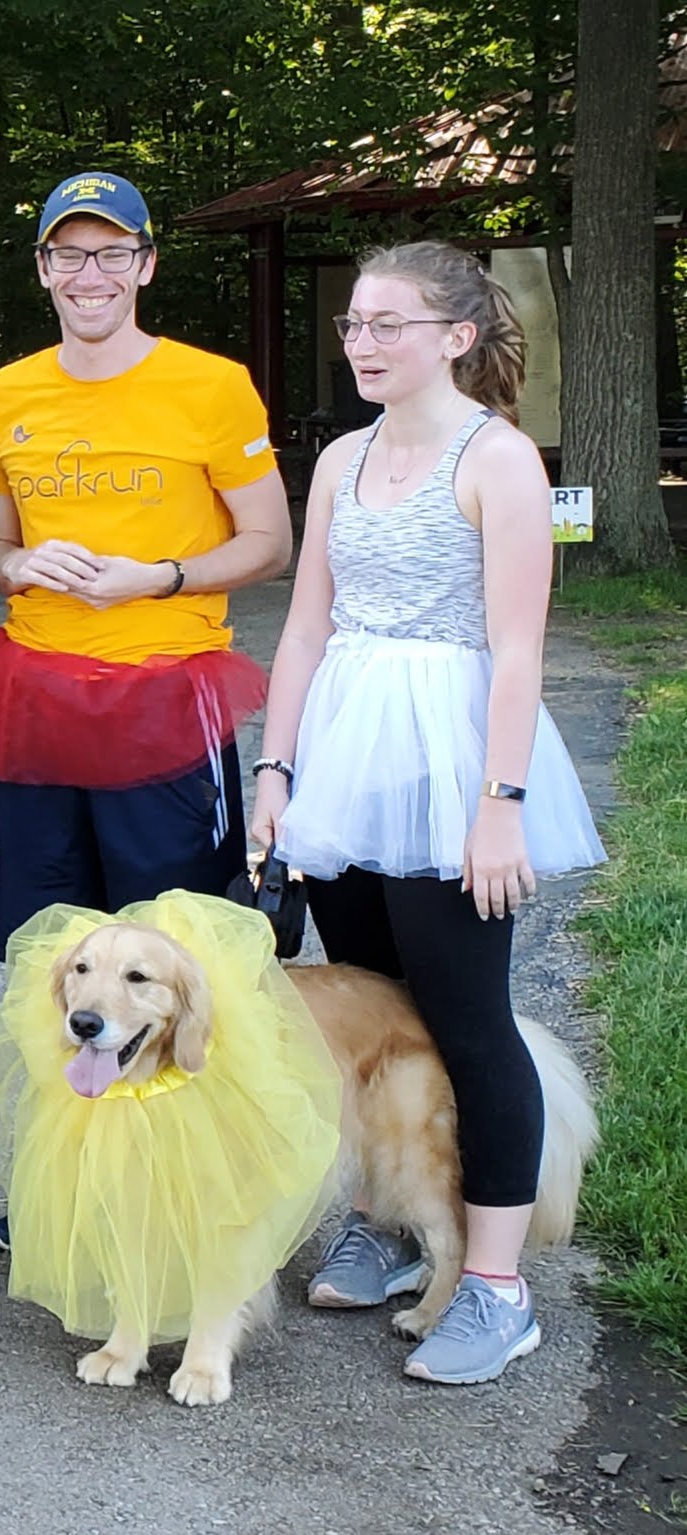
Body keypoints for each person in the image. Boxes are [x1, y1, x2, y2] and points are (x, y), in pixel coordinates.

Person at [0, 172, 293, 1253]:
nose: (90, 274)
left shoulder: (210, 386)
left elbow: (270, 543)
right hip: (36, 699)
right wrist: (22, 559)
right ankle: (64, 1180)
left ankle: (182, 1188)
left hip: (165, 694)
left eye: (110, 254)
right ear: (40, 270)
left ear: (145, 266)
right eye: (68, 255)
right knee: (47, 946)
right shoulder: (6, 393)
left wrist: (157, 577)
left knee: (172, 946)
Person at [252, 240, 603, 1385]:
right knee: (366, 1009)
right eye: (354, 322)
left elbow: (516, 648)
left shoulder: (497, 460)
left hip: (453, 756)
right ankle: (390, 1219)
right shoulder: (341, 458)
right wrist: (276, 769)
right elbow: (303, 628)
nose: (361, 341)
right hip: (345, 756)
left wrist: (497, 805)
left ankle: (497, 1285)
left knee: (465, 1016)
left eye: (388, 323)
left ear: (455, 336)